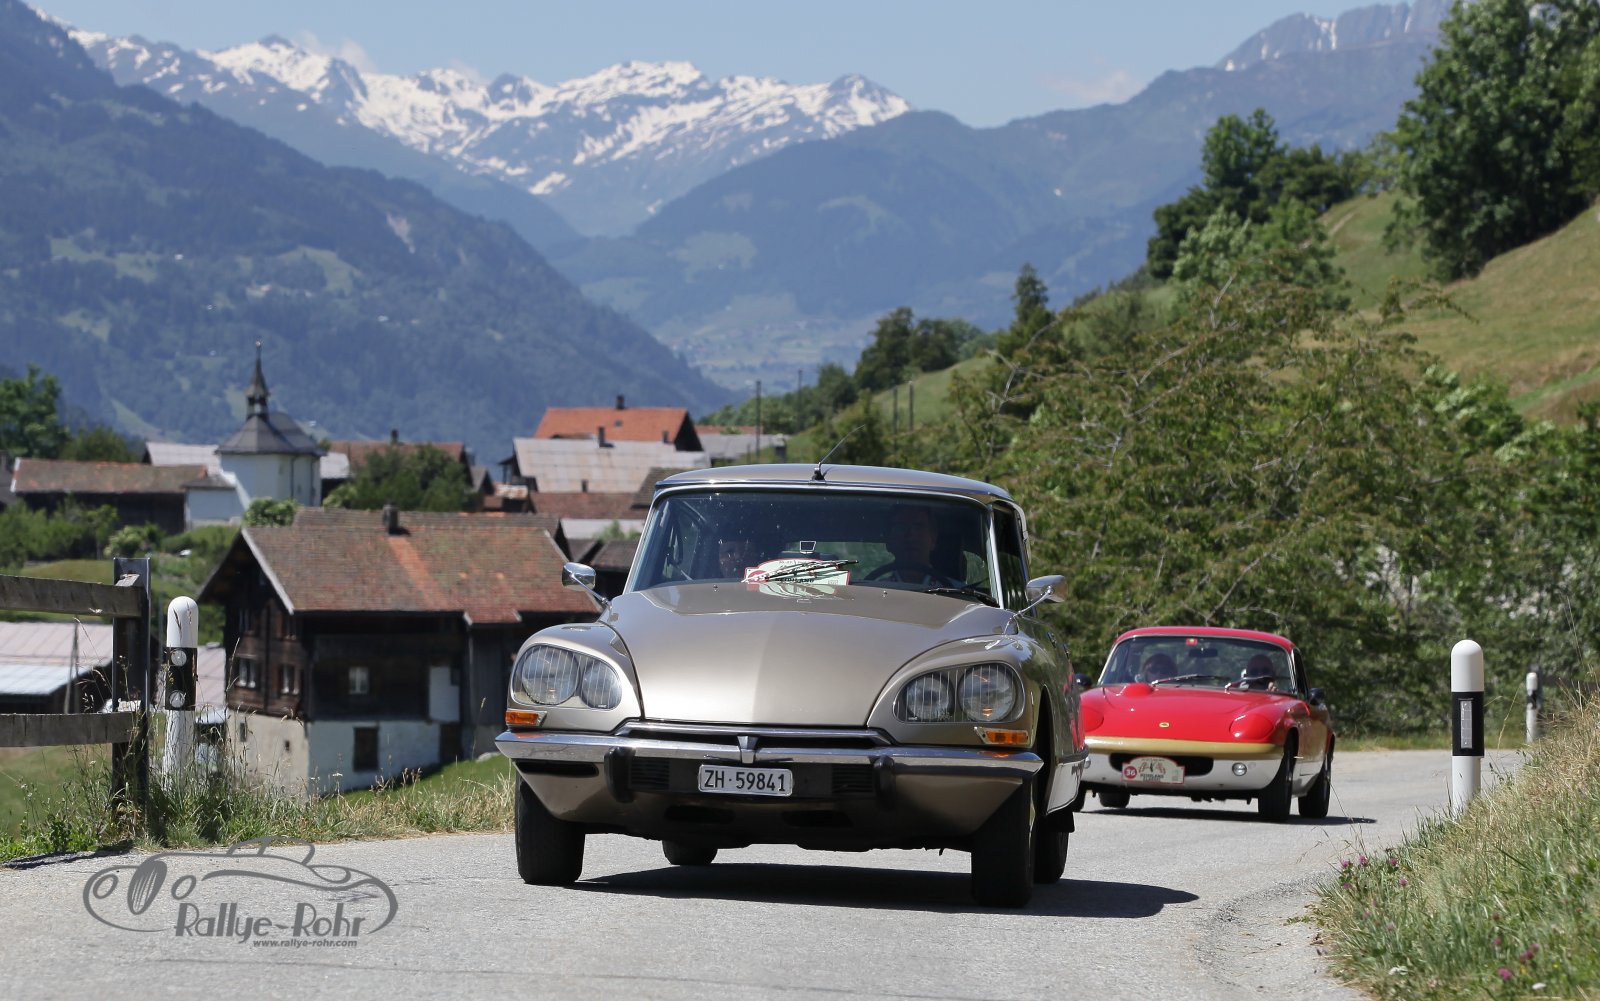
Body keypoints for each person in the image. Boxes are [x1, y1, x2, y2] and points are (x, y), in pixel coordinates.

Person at [867, 504, 949, 585]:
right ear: (888, 541)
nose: (910, 536)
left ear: (933, 539)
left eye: (918, 527)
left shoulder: (954, 591)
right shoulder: (875, 589)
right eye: (901, 528)